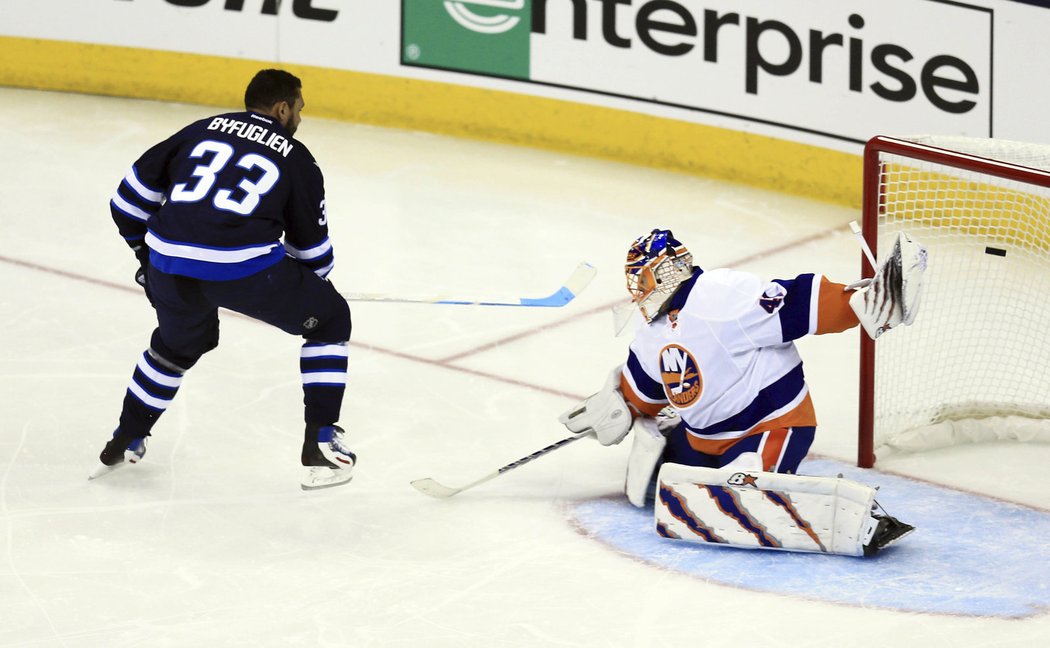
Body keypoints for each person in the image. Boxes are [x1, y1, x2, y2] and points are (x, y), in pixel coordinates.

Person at [560, 228, 927, 555]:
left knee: (747, 492)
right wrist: (615, 405)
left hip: (769, 427)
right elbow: (642, 389)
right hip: (702, 438)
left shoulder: (719, 294)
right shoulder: (652, 332)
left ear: (664, 271)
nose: (637, 291)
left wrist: (858, 304)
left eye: (640, 280)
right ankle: (699, 458)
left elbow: (795, 302)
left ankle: (848, 513)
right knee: (661, 483)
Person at [95, 69, 355, 490]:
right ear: (282, 108)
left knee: (175, 348)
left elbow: (126, 202)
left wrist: (147, 259)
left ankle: (126, 436)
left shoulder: (199, 130)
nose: (301, 119)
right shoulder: (297, 157)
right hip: (245, 271)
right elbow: (312, 253)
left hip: (168, 267)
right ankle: (321, 442)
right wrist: (313, 290)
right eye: (300, 110)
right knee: (331, 321)